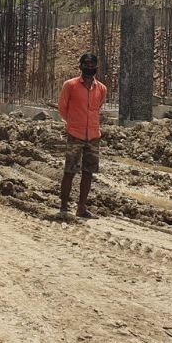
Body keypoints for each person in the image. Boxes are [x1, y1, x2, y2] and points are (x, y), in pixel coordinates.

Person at [58, 53, 107, 220]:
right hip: (75, 135)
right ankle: (64, 207)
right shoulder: (70, 85)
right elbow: (63, 108)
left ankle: (81, 208)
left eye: (93, 64)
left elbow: (97, 108)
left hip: (93, 136)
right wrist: (73, 124)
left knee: (88, 173)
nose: (90, 67)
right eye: (86, 64)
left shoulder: (101, 88)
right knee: (70, 171)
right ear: (80, 66)